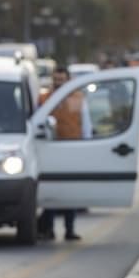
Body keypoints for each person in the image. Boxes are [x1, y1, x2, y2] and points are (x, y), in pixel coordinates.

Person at [38, 66, 86, 241]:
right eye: (56, 79)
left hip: (71, 149)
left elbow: (85, 123)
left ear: (68, 80)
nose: (58, 82)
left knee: (69, 192)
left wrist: (85, 146)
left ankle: (69, 229)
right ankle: (48, 229)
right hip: (50, 149)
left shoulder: (77, 98)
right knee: (52, 191)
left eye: (61, 79)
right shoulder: (44, 98)